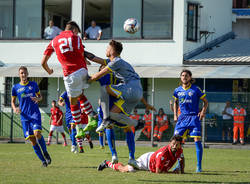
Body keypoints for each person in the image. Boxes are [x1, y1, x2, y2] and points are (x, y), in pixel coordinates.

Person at [41, 21, 98, 140]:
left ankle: (80, 128)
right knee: (80, 95)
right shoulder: (76, 38)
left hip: (71, 73)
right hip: (83, 70)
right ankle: (91, 116)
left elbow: (43, 62)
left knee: (73, 102)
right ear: (74, 30)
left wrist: (49, 71)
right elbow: (82, 54)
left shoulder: (54, 40)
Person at [11, 66, 51, 167]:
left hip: (34, 114)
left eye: (25, 73)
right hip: (24, 117)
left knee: (37, 134)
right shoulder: (15, 87)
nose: (23, 75)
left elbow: (40, 96)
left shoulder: (33, 85)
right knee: (32, 140)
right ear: (19, 75)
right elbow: (12, 101)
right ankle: (43, 161)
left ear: (27, 74)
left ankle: (45, 153)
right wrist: (15, 108)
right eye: (21, 73)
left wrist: (38, 99)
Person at [173, 69, 208, 173]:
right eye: (182, 75)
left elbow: (205, 102)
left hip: (193, 118)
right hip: (182, 118)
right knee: (176, 142)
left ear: (190, 77)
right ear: (180, 77)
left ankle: (199, 166)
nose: (184, 77)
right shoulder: (177, 90)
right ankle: (179, 165)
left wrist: (202, 112)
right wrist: (175, 115)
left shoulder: (196, 89)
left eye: (186, 75)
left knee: (197, 141)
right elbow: (175, 102)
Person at [97, 135, 184, 174]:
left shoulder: (179, 150)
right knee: (125, 169)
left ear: (180, 145)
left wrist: (181, 171)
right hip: (146, 161)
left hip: (153, 158)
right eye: (173, 143)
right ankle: (107, 163)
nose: (174, 146)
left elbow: (181, 159)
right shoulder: (163, 154)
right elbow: (158, 172)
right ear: (170, 143)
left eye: (177, 144)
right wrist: (172, 173)